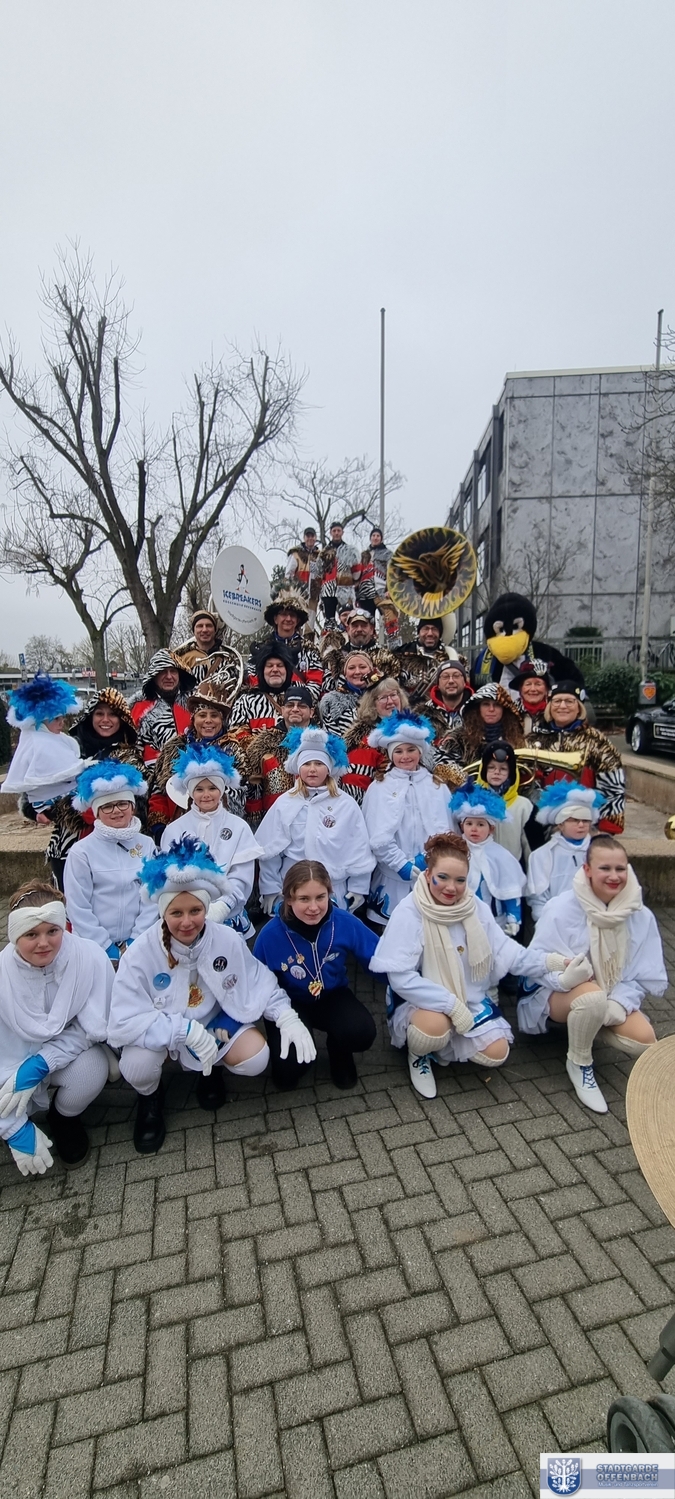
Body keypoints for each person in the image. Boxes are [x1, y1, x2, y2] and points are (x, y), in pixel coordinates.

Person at [108, 835, 316, 1152]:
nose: (187, 922)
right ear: (163, 912)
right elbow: (123, 1019)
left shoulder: (227, 939)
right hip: (163, 1028)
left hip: (211, 1026)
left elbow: (257, 980)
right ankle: (150, 1098)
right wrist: (183, 1031)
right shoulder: (140, 953)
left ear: (207, 907)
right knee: (136, 1065)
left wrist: (286, 1016)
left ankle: (211, 1070)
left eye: (196, 910)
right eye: (176, 913)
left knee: (256, 1058)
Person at [370, 831, 573, 1098]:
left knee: (497, 1053)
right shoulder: (410, 911)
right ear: (428, 874)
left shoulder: (473, 906)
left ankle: (443, 1047)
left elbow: (506, 951)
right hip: (421, 999)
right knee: (433, 1029)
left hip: (468, 995)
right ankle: (419, 1054)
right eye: (442, 877)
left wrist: (553, 962)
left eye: (460, 880)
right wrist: (450, 1005)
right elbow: (400, 978)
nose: (451, 888)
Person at [521, 836, 666, 1114]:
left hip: (608, 993)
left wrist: (619, 1003)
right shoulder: (561, 908)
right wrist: (564, 979)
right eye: (605, 868)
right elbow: (535, 964)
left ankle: (587, 1024)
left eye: (620, 868)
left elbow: (639, 973)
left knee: (644, 1041)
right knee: (591, 1000)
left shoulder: (640, 914)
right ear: (587, 870)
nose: (614, 876)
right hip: (559, 992)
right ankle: (579, 1062)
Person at [0, 881, 111, 1172]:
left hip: (65, 1056)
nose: (44, 943)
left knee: (93, 1069)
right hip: (8, 1066)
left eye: (52, 931)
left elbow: (92, 1028)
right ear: (14, 935)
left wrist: (42, 1062)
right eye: (31, 934)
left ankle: (63, 1118)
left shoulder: (89, 957)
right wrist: (12, 1128)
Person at [254, 860, 378, 1089]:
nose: (314, 907)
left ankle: (338, 1051)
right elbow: (255, 983)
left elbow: (379, 958)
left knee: (361, 1033)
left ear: (329, 894)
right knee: (289, 1068)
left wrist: (410, 986)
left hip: (332, 995)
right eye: (304, 899)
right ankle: (286, 1061)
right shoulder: (269, 936)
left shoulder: (344, 922)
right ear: (288, 899)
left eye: (320, 897)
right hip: (288, 1003)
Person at [256, 727, 374, 915]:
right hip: (294, 888)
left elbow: (358, 847)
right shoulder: (285, 803)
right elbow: (270, 851)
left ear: (328, 768)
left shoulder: (345, 804)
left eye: (319, 763)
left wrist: (358, 886)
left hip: (334, 888)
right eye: (306, 763)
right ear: (298, 767)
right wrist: (270, 888)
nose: (312, 769)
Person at [42, 687, 146, 887]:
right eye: (99, 713)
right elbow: (41, 788)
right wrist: (38, 807)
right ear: (90, 716)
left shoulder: (130, 757)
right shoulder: (69, 750)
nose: (105, 720)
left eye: (112, 714)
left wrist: (77, 806)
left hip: (114, 847)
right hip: (66, 845)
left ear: (122, 719)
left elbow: (137, 803)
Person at [160, 743, 262, 936]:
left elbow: (241, 876)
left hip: (229, 917)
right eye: (199, 789)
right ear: (191, 792)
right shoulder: (174, 829)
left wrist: (223, 906)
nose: (206, 795)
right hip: (188, 920)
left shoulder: (239, 827)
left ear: (221, 790)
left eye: (212, 788)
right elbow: (168, 877)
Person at [362, 712, 453, 926]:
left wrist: (427, 857)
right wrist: (400, 864)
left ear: (420, 751)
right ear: (390, 754)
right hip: (391, 879)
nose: (405, 756)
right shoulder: (379, 787)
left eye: (411, 749)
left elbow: (447, 830)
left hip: (430, 874)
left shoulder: (437, 785)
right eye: (399, 751)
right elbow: (374, 833)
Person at [63, 762, 156, 961]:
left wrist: (136, 940)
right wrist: (104, 947)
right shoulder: (81, 852)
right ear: (96, 812)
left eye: (123, 803)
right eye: (107, 806)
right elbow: (78, 906)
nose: (116, 811)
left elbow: (152, 895)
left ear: (132, 806)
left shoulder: (147, 845)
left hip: (138, 945)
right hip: (94, 948)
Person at [528, 681, 625, 833]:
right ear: (549, 706)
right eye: (557, 701)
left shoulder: (596, 741)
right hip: (541, 820)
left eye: (569, 701)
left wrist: (606, 828)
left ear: (579, 707)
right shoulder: (534, 739)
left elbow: (613, 786)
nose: (562, 706)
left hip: (584, 821)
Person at [4, 673, 85, 817]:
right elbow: (60, 771)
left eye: (62, 718)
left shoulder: (54, 738)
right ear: (40, 722)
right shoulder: (40, 743)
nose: (62, 723)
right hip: (53, 800)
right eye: (56, 719)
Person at [450, 785, 525, 935]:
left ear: (491, 828)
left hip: (494, 921)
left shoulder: (501, 855)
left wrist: (513, 917)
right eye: (469, 823)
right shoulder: (453, 850)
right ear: (462, 826)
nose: (474, 829)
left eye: (480, 824)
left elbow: (510, 888)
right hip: (459, 918)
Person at [525, 783, 604, 921]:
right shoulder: (541, 855)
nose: (581, 825)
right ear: (561, 824)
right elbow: (538, 898)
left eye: (585, 820)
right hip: (556, 921)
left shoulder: (601, 852)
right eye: (574, 820)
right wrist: (547, 921)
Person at [244, 684, 314, 825]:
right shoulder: (262, 744)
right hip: (275, 823)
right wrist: (256, 824)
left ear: (311, 712)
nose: (295, 709)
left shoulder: (325, 743)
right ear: (282, 710)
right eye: (290, 705)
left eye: (301, 706)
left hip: (314, 822)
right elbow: (254, 789)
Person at [342, 678, 410, 804]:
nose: (390, 701)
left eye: (393, 695)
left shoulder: (414, 730)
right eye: (383, 698)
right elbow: (356, 784)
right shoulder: (365, 739)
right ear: (372, 704)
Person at [247, 593, 323, 702]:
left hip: (298, 706)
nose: (288, 618)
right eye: (283, 614)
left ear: (297, 620)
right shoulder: (259, 649)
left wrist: (291, 701)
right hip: (264, 704)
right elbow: (252, 681)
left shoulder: (310, 650)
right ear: (275, 619)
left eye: (292, 615)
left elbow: (315, 685)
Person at [477, 741, 540, 863]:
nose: (497, 772)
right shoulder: (472, 805)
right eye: (491, 767)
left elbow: (532, 850)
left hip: (514, 870)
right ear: (483, 770)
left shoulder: (524, 806)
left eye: (503, 769)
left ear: (511, 773)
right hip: (482, 870)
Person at [130, 651, 196, 765]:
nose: (169, 677)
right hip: (152, 771)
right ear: (154, 675)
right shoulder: (139, 707)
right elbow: (130, 749)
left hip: (190, 770)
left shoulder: (193, 703)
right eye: (163, 671)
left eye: (173, 671)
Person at [441, 683, 525, 768]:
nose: (491, 709)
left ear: (504, 709)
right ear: (478, 708)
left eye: (497, 705)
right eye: (486, 704)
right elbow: (446, 770)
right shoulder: (457, 740)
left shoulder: (517, 739)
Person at [230, 642, 295, 734]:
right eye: (269, 665)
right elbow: (235, 736)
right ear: (262, 671)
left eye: (280, 665)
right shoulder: (246, 702)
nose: (275, 669)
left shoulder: (301, 700)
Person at [321, 608, 396, 687]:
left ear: (371, 629)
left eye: (363, 626)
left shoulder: (385, 657)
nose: (359, 629)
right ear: (348, 629)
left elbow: (392, 686)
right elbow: (327, 686)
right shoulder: (334, 659)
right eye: (355, 626)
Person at [392, 619, 455, 703]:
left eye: (434, 629)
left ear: (440, 633)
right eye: (426, 628)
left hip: (441, 707)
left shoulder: (450, 657)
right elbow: (391, 686)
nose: (430, 633)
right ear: (419, 632)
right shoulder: (401, 654)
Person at [319, 652, 379, 735]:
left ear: (371, 670)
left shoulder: (384, 696)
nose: (357, 672)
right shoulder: (331, 701)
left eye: (362, 667)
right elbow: (331, 737)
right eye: (351, 668)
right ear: (345, 674)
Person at [173, 610, 231, 681]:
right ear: (194, 631)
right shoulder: (182, 659)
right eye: (200, 626)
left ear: (215, 630)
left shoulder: (229, 656)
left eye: (209, 626)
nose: (204, 630)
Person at [320, 520, 359, 622]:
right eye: (334, 531)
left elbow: (356, 572)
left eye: (338, 530)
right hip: (328, 590)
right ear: (330, 532)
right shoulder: (324, 552)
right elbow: (319, 572)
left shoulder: (350, 551)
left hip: (346, 589)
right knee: (329, 621)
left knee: (348, 618)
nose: (336, 533)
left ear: (342, 532)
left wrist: (354, 584)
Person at [284, 528, 325, 627]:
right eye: (308, 536)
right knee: (296, 622)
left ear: (315, 538)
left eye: (312, 536)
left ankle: (308, 637)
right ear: (304, 538)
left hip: (313, 596)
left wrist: (322, 596)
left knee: (309, 625)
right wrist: (289, 593)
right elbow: (288, 575)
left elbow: (323, 577)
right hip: (299, 595)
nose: (310, 538)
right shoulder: (296, 553)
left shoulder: (320, 556)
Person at [422, 660, 473, 739]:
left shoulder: (478, 710)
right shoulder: (423, 714)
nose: (451, 681)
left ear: (464, 682)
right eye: (445, 677)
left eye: (456, 676)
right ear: (438, 684)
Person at [510, 662, 552, 734]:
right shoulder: (510, 713)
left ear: (547, 689)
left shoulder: (555, 712)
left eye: (538, 684)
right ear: (520, 689)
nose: (533, 689)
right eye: (528, 684)